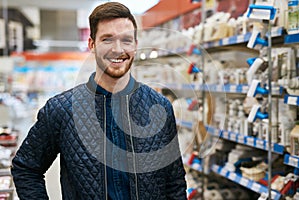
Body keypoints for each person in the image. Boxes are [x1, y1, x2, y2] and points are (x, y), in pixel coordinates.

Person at [11, 2, 187, 200]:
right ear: (92, 44)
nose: (118, 49)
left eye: (126, 40)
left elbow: (174, 182)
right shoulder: (61, 109)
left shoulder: (160, 107)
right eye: (107, 39)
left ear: (136, 45)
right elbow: (26, 168)